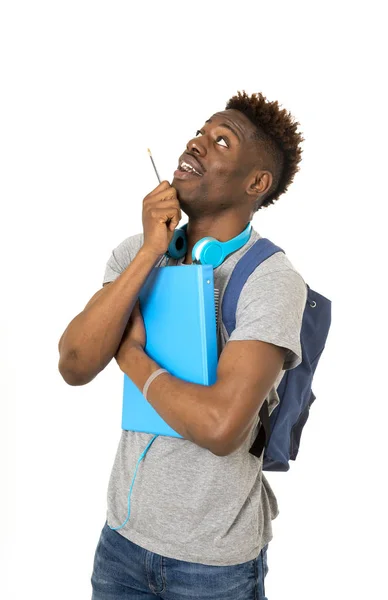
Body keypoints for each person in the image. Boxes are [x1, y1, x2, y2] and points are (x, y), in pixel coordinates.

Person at [58, 90, 306, 599]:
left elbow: (220, 428)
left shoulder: (269, 280)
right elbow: (75, 363)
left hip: (213, 565)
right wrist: (151, 249)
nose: (197, 143)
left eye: (221, 141)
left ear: (256, 183)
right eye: (200, 130)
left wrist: (129, 355)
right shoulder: (137, 253)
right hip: (122, 545)